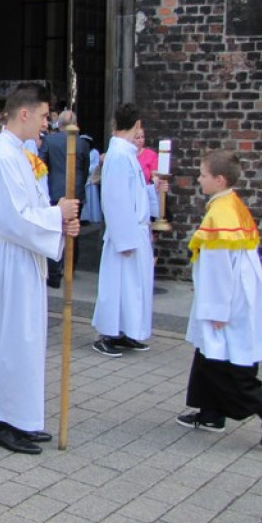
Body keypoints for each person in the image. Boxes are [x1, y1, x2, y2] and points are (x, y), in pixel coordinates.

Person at [0, 83, 80, 455]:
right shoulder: (3, 157)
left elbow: (33, 208)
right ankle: (3, 422)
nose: (48, 123)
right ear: (24, 114)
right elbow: (14, 219)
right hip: (12, 257)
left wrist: (60, 220)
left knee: (24, 340)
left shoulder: (18, 154)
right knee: (12, 340)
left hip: (24, 256)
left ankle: (21, 419)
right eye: (44, 116)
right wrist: (55, 215)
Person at [176, 150, 262, 448]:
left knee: (222, 360)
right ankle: (210, 412)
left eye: (202, 175)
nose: (199, 179)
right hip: (239, 293)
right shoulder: (230, 204)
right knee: (207, 354)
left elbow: (217, 269)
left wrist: (216, 309)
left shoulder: (219, 214)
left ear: (219, 179)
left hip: (228, 298)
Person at [91, 104, 166, 357]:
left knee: (134, 287)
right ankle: (109, 333)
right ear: (136, 125)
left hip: (136, 230)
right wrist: (125, 239)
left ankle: (126, 331)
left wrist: (153, 189)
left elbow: (133, 194)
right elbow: (115, 200)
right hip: (125, 235)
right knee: (119, 286)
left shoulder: (126, 154)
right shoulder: (119, 156)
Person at [40, 110, 90, 288]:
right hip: (75, 192)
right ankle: (71, 266)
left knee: (55, 229)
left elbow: (42, 165)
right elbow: (84, 170)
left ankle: (54, 271)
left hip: (54, 191)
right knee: (73, 230)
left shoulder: (49, 141)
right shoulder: (83, 144)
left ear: (58, 125)